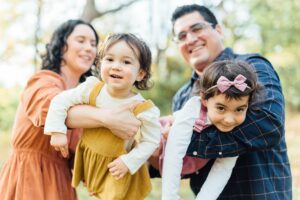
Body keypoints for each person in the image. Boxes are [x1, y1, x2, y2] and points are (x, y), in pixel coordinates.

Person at [159, 4, 292, 199]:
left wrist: (183, 140)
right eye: (182, 36)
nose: (191, 39)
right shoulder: (183, 96)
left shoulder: (253, 67)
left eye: (197, 28)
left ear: (218, 29)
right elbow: (188, 165)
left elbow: (268, 124)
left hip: (259, 194)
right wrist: (156, 150)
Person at [44, 33, 161, 200]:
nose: (116, 66)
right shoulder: (92, 89)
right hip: (91, 159)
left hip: (118, 166)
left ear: (140, 73)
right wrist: (57, 131)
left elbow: (151, 141)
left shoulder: (143, 108)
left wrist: (128, 162)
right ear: (100, 64)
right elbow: (60, 100)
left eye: (126, 62)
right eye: (109, 59)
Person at [0, 19, 99, 200]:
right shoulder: (43, 81)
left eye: (93, 44)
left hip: (61, 186)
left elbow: (84, 159)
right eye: (81, 40)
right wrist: (108, 117)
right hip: (28, 181)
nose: (89, 48)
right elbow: (52, 107)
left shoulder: (85, 104)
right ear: (62, 45)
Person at [162, 60, 262, 200]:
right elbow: (173, 154)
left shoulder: (239, 129)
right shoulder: (193, 109)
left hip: (190, 160)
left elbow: (223, 168)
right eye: (221, 108)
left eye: (239, 109)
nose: (229, 119)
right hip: (164, 137)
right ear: (204, 99)